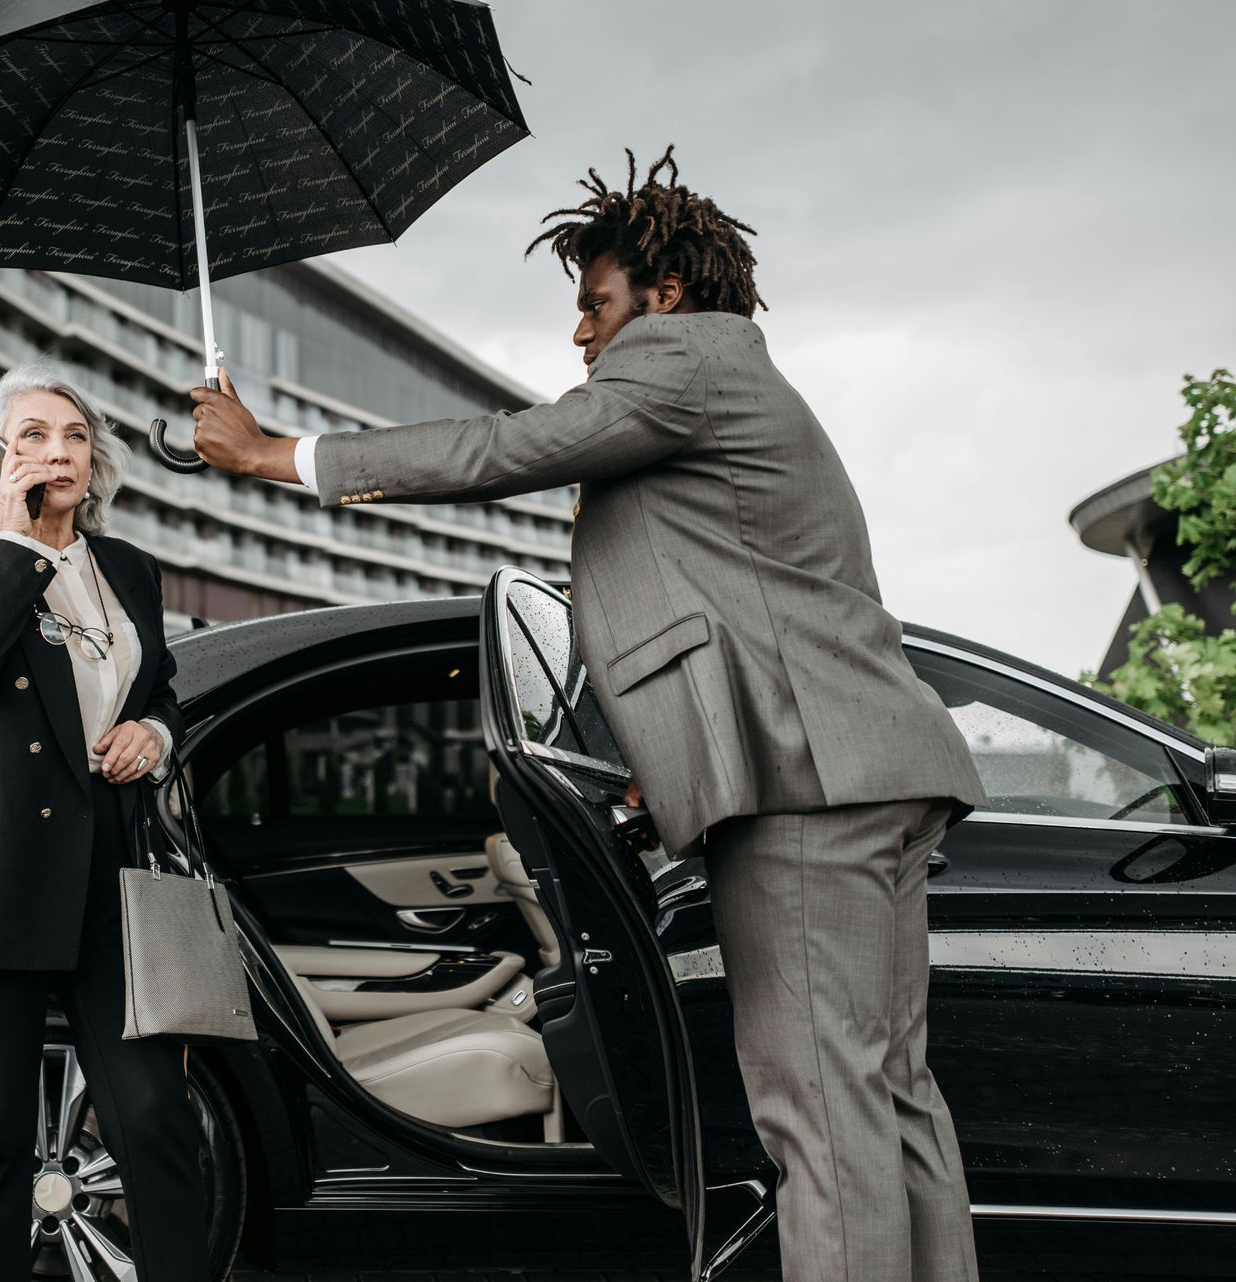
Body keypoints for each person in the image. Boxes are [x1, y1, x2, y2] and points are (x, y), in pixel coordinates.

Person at [187, 147, 989, 1282]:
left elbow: (510, 446)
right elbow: (736, 612)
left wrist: (278, 453)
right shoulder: (732, 389)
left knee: (816, 1106)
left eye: (593, 302)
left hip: (810, 787)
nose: (580, 332)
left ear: (660, 295)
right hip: (866, 770)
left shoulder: (687, 358)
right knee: (888, 1095)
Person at [0, 362, 207, 1281]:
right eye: (33, 436)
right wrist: (18, 540)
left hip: (112, 870)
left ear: (96, 463)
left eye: (74, 437)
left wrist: (155, 733)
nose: (57, 450)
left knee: (156, 1119)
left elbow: (162, 690)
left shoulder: (132, 570)